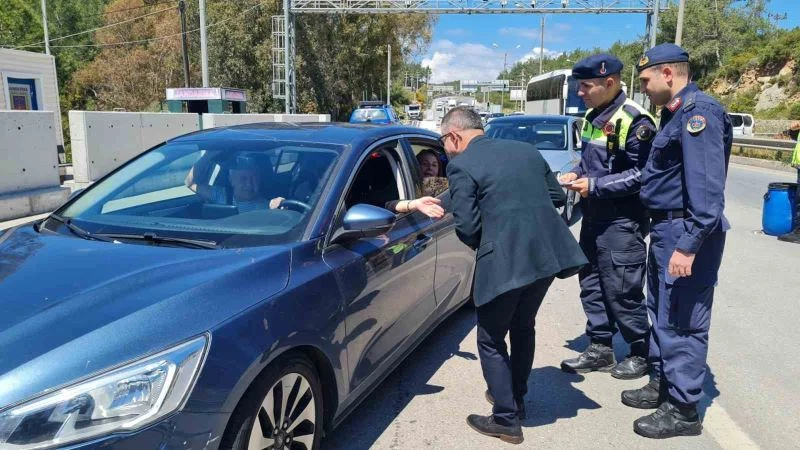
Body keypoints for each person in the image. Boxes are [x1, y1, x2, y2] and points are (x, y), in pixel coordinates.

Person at [442, 106, 587, 444]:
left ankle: (506, 418)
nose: (445, 150)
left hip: (506, 259)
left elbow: (467, 228)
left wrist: (492, 242)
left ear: (454, 136)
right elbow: (554, 196)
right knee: (523, 326)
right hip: (547, 257)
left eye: (444, 142)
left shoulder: (461, 165)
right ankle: (517, 399)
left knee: (490, 338)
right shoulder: (526, 150)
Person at [623, 43, 732, 439]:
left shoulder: (698, 114)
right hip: (668, 229)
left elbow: (706, 192)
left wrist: (689, 244)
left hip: (687, 232)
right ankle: (663, 383)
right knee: (662, 312)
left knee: (683, 321)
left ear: (668, 74)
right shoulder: (673, 115)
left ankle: (683, 409)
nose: (645, 88)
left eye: (647, 80)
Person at [559, 54, 656, 380]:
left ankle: (641, 352)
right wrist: (574, 174)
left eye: (586, 86)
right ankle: (600, 348)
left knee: (622, 290)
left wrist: (596, 184)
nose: (580, 92)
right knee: (591, 284)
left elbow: (643, 174)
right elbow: (589, 163)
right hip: (593, 218)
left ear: (609, 83)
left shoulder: (636, 120)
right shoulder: (591, 117)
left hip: (622, 222)